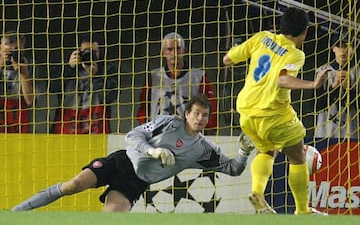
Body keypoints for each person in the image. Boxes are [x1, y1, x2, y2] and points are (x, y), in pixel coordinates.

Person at [11, 93, 252, 212]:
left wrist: (243, 151)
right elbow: (132, 136)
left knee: (113, 216)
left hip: (135, 181)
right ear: (187, 114)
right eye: (196, 113)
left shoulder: (203, 149)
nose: (200, 119)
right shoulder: (168, 123)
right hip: (122, 161)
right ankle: (16, 214)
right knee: (73, 185)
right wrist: (154, 151)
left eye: (205, 115)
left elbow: (234, 169)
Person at [223, 8, 329, 215]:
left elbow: (227, 59)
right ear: (305, 32)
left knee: (266, 152)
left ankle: (257, 193)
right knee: (298, 156)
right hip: (272, 113)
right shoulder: (295, 54)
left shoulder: (262, 37)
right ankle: (302, 210)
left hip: (246, 110)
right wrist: (313, 84)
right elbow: (282, 79)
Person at [136, 32, 217, 134]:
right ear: (163, 52)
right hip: (158, 135)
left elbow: (210, 106)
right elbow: (144, 107)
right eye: (170, 49)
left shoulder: (199, 77)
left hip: (188, 136)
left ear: (184, 50)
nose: (174, 53)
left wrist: (209, 130)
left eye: (178, 48)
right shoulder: (153, 77)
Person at [49, 34, 118, 134]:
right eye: (86, 51)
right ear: (78, 52)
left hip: (96, 129)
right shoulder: (66, 68)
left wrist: (96, 76)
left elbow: (111, 96)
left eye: (94, 52)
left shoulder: (107, 69)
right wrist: (68, 68)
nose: (90, 55)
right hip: (66, 129)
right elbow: (52, 88)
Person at [314, 35, 359, 139]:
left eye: (347, 46)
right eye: (339, 46)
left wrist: (349, 89)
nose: (343, 50)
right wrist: (333, 87)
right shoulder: (322, 71)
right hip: (325, 134)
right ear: (333, 48)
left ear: (353, 48)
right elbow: (316, 106)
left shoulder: (357, 72)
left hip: (352, 135)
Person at [0, 31, 35, 133]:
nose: (12, 53)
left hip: (18, 123)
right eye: (8, 48)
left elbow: (30, 100)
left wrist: (24, 74)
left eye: (16, 50)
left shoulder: (29, 66)